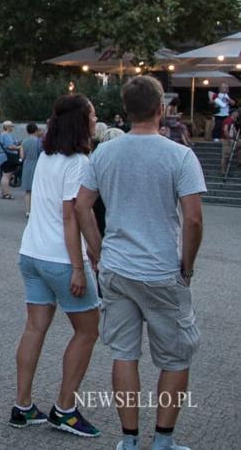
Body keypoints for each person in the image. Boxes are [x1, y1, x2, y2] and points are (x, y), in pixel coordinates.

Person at [75, 76, 205, 450]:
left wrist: (98, 252)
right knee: (176, 357)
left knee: (124, 354)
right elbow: (194, 219)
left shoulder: (105, 153)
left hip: (117, 268)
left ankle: (129, 440)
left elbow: (82, 206)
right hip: (162, 270)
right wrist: (187, 265)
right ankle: (163, 440)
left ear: (126, 110)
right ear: (161, 109)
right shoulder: (179, 155)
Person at [11, 94, 101, 437]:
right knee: (88, 330)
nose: (96, 119)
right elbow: (73, 214)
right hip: (61, 259)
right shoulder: (78, 161)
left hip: (31, 252)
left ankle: (23, 406)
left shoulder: (47, 156)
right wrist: (81, 264)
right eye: (93, 115)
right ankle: (64, 409)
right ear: (82, 121)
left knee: (35, 328)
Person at [20, 123, 44, 219]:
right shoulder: (39, 142)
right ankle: (35, 211)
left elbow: (22, 156)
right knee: (37, 190)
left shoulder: (24, 142)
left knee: (27, 191)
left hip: (27, 165)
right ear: (36, 130)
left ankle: (27, 211)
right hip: (37, 165)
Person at [0, 121, 21, 199]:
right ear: (7, 127)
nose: (12, 127)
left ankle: (4, 192)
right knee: (6, 176)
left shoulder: (2, 134)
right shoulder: (6, 135)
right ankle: (6, 194)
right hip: (7, 157)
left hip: (3, 157)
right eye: (11, 126)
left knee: (5, 175)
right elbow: (10, 146)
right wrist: (19, 147)